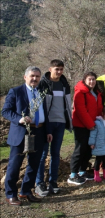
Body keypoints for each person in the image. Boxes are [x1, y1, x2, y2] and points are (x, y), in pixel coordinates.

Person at [2, 66, 46, 205]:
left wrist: (48, 131)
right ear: (25, 77)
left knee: (34, 164)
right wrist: (19, 119)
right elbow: (6, 111)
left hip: (38, 132)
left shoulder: (41, 92)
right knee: (15, 166)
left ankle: (26, 191)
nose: (35, 78)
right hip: (21, 133)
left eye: (37, 76)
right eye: (32, 76)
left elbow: (45, 113)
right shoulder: (16, 91)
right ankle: (10, 194)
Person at [35, 59, 73, 197]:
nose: (59, 71)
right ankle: (39, 183)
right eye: (56, 69)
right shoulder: (43, 84)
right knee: (42, 154)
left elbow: (67, 104)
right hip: (46, 123)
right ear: (50, 69)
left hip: (61, 123)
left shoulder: (64, 84)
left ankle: (53, 182)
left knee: (56, 154)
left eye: (61, 69)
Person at [69, 72, 103, 185]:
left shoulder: (95, 92)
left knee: (88, 149)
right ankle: (73, 174)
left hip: (93, 125)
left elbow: (98, 109)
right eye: (89, 79)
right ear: (84, 80)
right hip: (81, 126)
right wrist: (90, 124)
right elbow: (81, 111)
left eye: (94, 79)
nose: (92, 82)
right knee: (80, 149)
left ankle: (82, 171)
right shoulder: (80, 92)